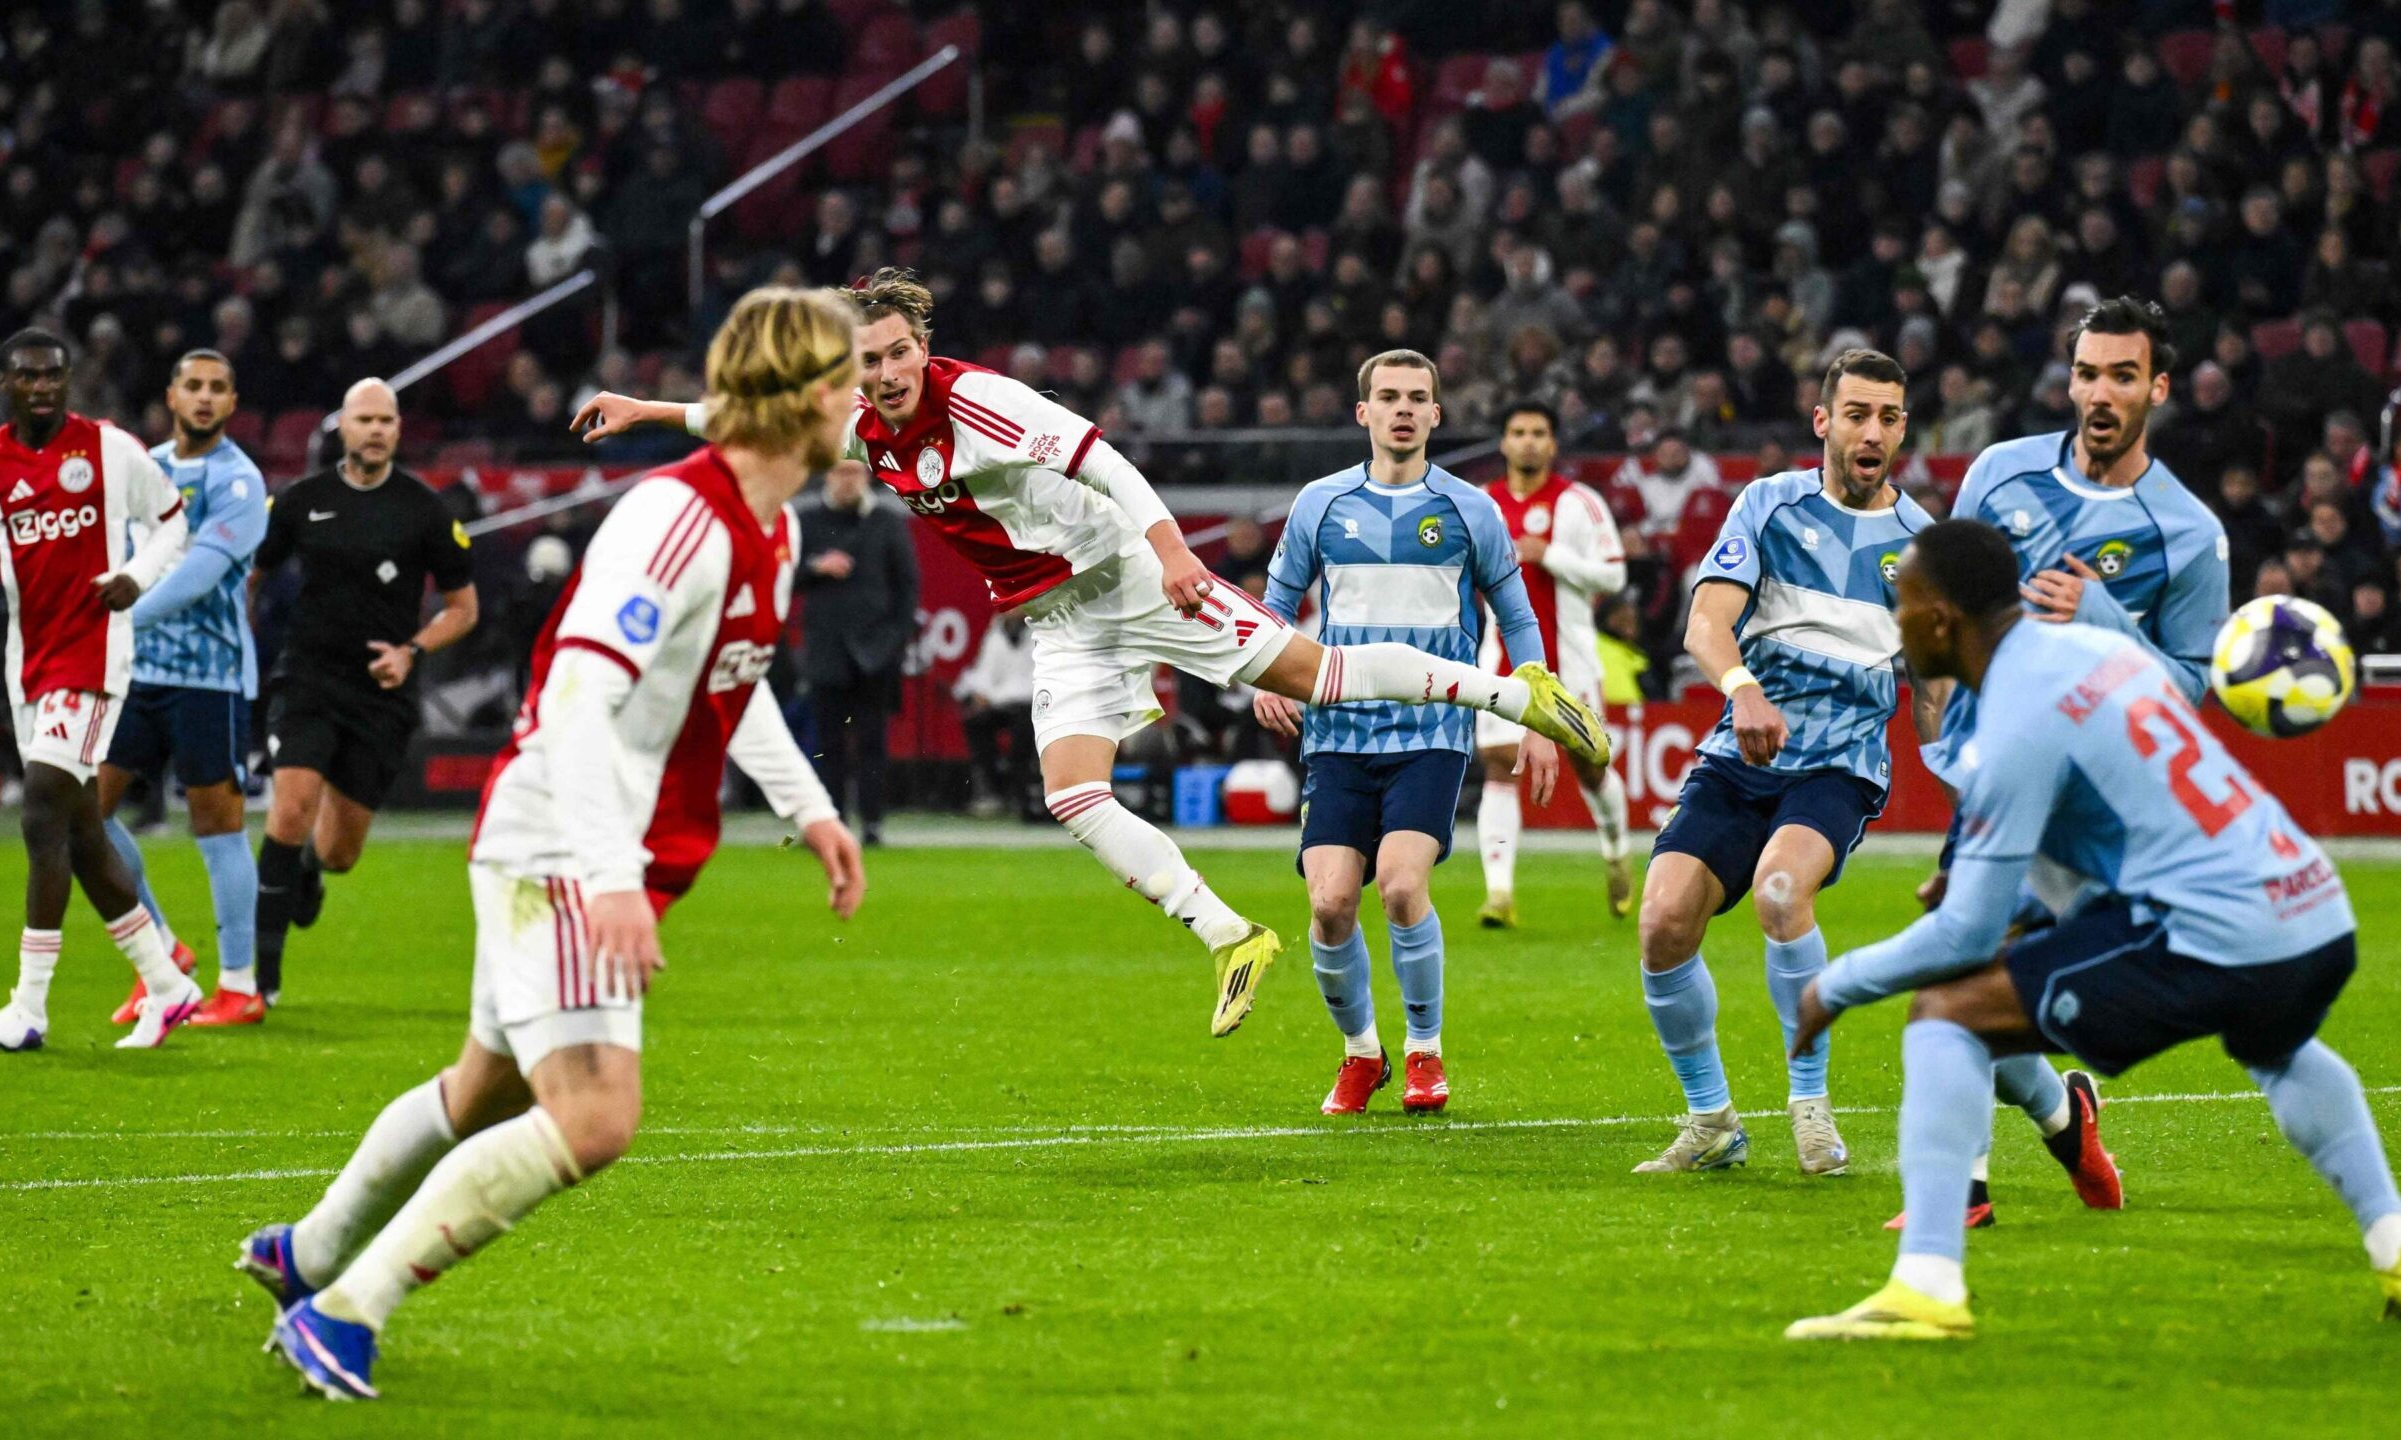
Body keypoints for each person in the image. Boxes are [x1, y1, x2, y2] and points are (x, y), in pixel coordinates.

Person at [571, 275, 1608, 1038]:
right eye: (864, 360)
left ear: (918, 348)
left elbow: (1101, 457)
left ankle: (1516, 695)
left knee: (1317, 676)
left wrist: (1169, 553)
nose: (881, 374)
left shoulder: (977, 399)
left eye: (893, 354)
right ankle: (1231, 935)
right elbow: (746, 418)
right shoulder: (855, 424)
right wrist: (643, 414)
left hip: (1123, 573)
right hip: (1059, 618)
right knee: (1071, 797)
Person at [246, 286, 869, 1402]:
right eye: (852, 374)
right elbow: (581, 696)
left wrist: (808, 809)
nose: (866, 393)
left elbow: (730, 680)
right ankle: (343, 1315)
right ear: (812, 395)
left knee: (480, 1090)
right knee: (592, 1116)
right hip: (565, 845)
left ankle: (310, 1253)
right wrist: (610, 878)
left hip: (581, 844)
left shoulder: (769, 528)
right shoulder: (674, 522)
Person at [1785, 519, 2401, 1340]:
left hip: (2210, 931)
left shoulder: (2015, 717)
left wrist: (1833, 985)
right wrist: (2024, 893)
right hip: (2312, 909)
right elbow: (2125, 818)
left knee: (1947, 1013)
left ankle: (1926, 1288)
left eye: (1904, 605)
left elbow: (1961, 935)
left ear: (1943, 620)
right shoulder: (2105, 654)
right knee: (2279, 1048)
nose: (1898, 623)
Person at [1921, 296, 2227, 1228]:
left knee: (1961, 974)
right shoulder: (1998, 475)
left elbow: (2193, 688)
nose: (2100, 392)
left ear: (2157, 388)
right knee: (1965, 978)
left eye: (2122, 376)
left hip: (2086, 800)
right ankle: (2066, 1116)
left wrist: (2108, 622)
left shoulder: (2188, 531)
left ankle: (1961, 1196)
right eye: (2087, 372)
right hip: (1993, 773)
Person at [1632, 348, 1942, 1178]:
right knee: (1661, 923)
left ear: (1902, 429)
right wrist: (1742, 689)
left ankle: (1810, 1107)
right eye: (1855, 414)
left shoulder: (1922, 546)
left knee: (1779, 889)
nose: (1870, 431)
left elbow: (1937, 687)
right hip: (1743, 748)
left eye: (1887, 417)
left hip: (1839, 760)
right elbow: (1706, 625)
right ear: (1824, 422)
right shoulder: (1767, 505)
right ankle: (1712, 1123)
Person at [1255, 354, 1564, 1116]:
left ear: (1436, 415)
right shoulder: (1320, 504)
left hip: (1430, 731)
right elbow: (1276, 600)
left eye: (1417, 399)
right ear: (1362, 413)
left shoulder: (1470, 509)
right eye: (1387, 397)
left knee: (1399, 885)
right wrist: (1265, 673)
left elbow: (1516, 615)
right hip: (1337, 730)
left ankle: (1425, 1051)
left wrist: (1537, 715)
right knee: (1328, 905)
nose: (1402, 409)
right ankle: (1363, 1054)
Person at [0, 329, 203, 1052]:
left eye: (55, 375)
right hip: (28, 662)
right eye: (28, 376)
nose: (43, 388)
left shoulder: (111, 450)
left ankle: (27, 1007)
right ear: (4, 382)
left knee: (39, 816)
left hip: (93, 659)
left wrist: (135, 578)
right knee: (83, 835)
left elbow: (172, 526)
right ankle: (167, 984)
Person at [251, 378, 480, 1004]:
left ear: (398, 431)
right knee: (290, 807)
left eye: (386, 421)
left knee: (340, 851)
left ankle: (306, 871)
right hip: (309, 677)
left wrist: (412, 652)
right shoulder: (301, 501)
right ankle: (256, 982)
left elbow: (463, 608)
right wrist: (239, 645)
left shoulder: (426, 510)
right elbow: (252, 572)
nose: (376, 431)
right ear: (342, 429)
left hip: (380, 693)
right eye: (365, 420)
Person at [97, 350, 270, 1028]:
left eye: (216, 388)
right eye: (192, 386)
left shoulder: (240, 483)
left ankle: (240, 986)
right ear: (171, 395)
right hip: (134, 674)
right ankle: (163, 957)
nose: (203, 398)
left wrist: (110, 618)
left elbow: (197, 575)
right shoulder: (145, 470)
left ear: (232, 402)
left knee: (217, 829)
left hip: (211, 678)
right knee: (86, 816)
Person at [1472, 401, 1634, 926]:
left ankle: (1616, 849)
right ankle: (1499, 893)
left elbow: (1614, 576)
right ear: (1503, 442)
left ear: (1553, 444)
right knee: (1500, 764)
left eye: (1538, 432)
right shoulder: (1479, 505)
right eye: (1517, 432)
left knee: (1591, 767)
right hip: (1500, 661)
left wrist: (1551, 556)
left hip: (1573, 665)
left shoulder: (1579, 503)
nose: (1528, 442)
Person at [793, 457, 918, 846]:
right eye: (840, 472)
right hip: (826, 651)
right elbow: (785, 574)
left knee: (872, 743)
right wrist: (816, 567)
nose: (848, 480)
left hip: (875, 654)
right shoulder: (808, 521)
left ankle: (873, 823)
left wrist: (892, 642)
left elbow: (908, 589)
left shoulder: (887, 523)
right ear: (827, 475)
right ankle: (832, 822)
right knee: (827, 744)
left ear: (865, 477)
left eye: (854, 472)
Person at [954, 611, 1037, 815]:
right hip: (1001, 703)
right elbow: (985, 673)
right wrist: (982, 695)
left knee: (1022, 731)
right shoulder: (995, 634)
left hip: (1032, 704)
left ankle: (1021, 795)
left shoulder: (1041, 631)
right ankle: (991, 790)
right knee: (976, 721)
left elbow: (1033, 680)